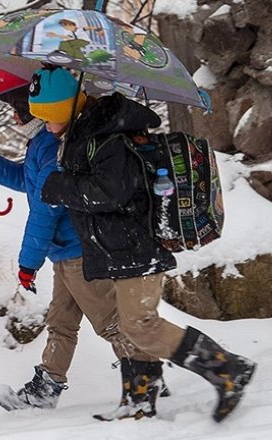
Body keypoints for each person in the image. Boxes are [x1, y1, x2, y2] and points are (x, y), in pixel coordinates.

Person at [40, 91, 257, 422]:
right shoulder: (91, 137)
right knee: (132, 325)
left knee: (139, 325)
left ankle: (227, 368)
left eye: (47, 114)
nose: (44, 122)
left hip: (136, 246)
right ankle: (139, 399)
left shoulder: (108, 139)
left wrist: (61, 186)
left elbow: (111, 192)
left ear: (63, 109)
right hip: (123, 248)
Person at [0, 68, 167, 415]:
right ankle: (46, 388)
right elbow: (28, 182)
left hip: (78, 251)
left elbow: (44, 213)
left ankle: (146, 377)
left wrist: (28, 264)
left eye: (18, 112)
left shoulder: (51, 147)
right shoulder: (40, 144)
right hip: (63, 253)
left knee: (108, 321)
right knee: (61, 321)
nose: (14, 118)